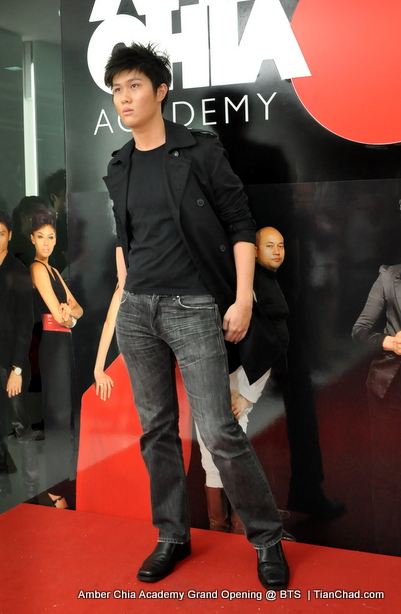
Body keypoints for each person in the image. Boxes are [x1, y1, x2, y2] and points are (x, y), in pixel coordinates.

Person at [102, 42, 289, 589]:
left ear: (161, 91)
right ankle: (171, 535)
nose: (124, 98)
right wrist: (126, 290)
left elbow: (240, 224)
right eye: (117, 89)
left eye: (135, 86)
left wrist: (244, 298)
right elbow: (125, 239)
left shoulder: (200, 152)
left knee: (218, 430)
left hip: (194, 308)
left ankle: (267, 538)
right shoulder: (118, 164)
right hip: (138, 312)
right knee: (156, 430)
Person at [196, 227, 289, 534]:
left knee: (230, 451)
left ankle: (237, 528)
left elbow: (268, 345)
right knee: (212, 451)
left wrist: (246, 395)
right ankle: (222, 527)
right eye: (270, 245)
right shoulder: (238, 279)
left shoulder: (264, 286)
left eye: (280, 245)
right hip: (213, 372)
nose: (277, 251)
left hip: (238, 376)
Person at [30, 209, 83, 509]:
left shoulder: (54, 271)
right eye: (41, 237)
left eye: (51, 237)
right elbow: (61, 314)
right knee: (58, 418)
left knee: (68, 417)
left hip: (65, 344)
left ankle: (63, 483)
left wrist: (70, 314)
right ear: (32, 239)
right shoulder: (37, 269)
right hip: (53, 346)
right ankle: (54, 490)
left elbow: (78, 309)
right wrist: (68, 315)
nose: (47, 243)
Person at [352, 263, 401, 555]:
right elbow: (360, 331)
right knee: (387, 472)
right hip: (390, 386)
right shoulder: (389, 277)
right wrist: (389, 342)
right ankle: (389, 550)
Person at [0, 210, 39, 499]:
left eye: (1, 233)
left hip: (12, 363)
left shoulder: (18, 270)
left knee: (20, 425)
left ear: (10, 235)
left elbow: (26, 323)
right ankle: (3, 483)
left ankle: (32, 487)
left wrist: (17, 369)